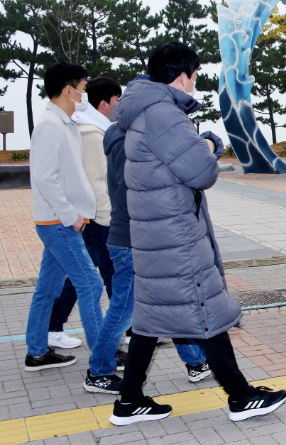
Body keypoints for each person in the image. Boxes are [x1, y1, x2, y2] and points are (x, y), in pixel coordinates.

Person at [109, 42, 286, 426]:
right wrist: (210, 143)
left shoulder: (144, 109)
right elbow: (201, 172)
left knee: (152, 318)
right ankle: (239, 396)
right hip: (174, 234)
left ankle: (128, 400)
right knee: (205, 310)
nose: (194, 83)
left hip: (158, 231)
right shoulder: (162, 115)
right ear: (181, 76)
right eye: (194, 76)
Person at [91, 74, 212, 398]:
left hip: (131, 236)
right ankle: (99, 370)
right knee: (124, 309)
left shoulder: (121, 134)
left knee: (164, 303)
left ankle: (195, 362)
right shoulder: (133, 137)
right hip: (134, 238)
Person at [24, 62, 103, 372]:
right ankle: (103, 356)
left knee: (48, 289)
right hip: (58, 223)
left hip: (59, 221)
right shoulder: (49, 125)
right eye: (82, 89)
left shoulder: (62, 123)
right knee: (91, 285)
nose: (84, 95)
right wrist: (72, 216)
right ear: (69, 90)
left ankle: (37, 352)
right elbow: (45, 178)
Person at [47, 77, 122, 353]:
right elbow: (96, 183)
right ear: (104, 105)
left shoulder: (97, 129)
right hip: (98, 220)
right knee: (109, 276)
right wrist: (107, 220)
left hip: (93, 219)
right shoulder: (92, 134)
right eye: (118, 101)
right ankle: (122, 331)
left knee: (83, 277)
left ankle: (53, 327)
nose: (120, 106)